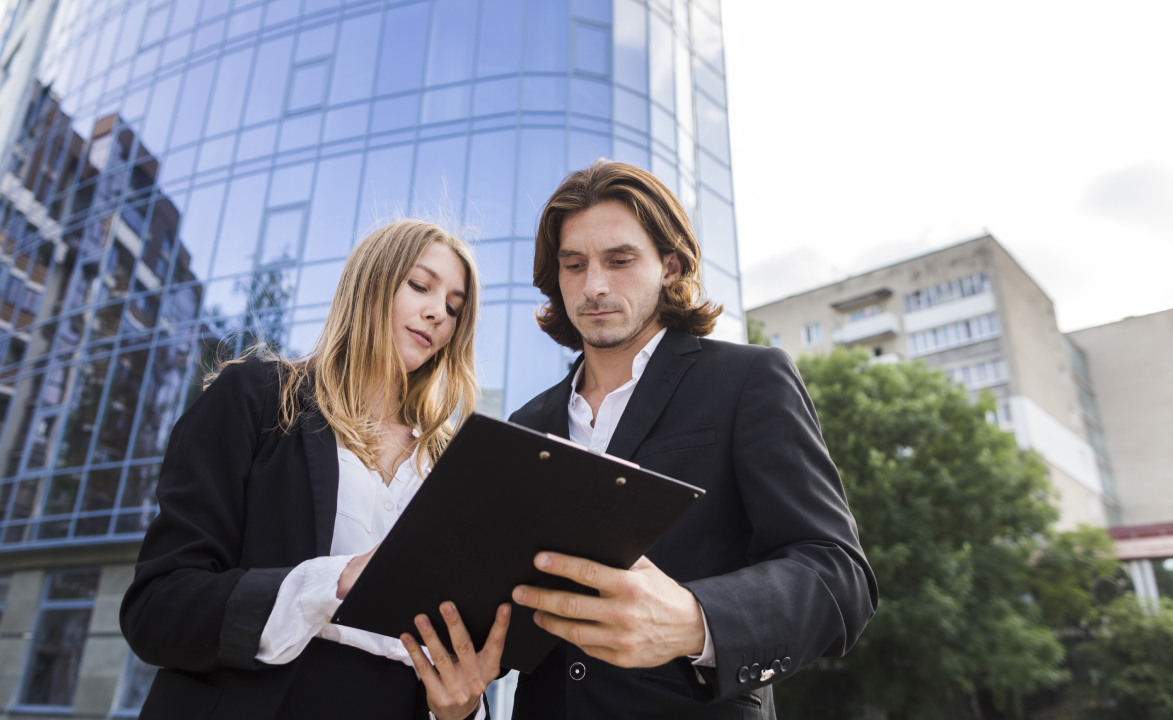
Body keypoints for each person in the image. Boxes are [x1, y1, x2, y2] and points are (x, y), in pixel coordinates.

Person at [506, 161, 878, 719]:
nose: (595, 285)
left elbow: (837, 575)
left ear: (670, 265)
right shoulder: (522, 427)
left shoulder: (749, 380)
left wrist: (696, 618)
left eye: (620, 260)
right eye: (574, 264)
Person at [120, 220, 509, 720]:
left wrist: (462, 708)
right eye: (419, 286)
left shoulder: (452, 465)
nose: (437, 313)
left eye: (454, 309)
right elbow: (157, 608)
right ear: (370, 283)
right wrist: (337, 581)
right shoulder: (256, 398)